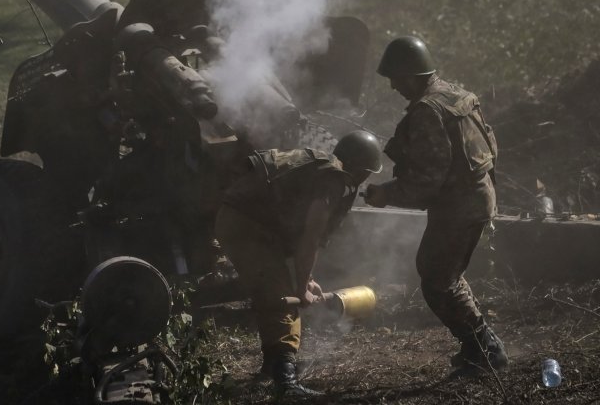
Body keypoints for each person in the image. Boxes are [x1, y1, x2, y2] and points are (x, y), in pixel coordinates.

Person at [364, 36, 508, 374]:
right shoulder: (456, 95)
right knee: (442, 274)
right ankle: (482, 349)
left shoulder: (428, 111)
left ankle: (485, 351)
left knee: (436, 280)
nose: (393, 87)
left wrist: (387, 195)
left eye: (395, 79)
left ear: (411, 74)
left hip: (459, 205)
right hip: (478, 196)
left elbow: (428, 180)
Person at [216, 131, 382, 397]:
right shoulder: (333, 180)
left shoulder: (323, 168)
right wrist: (302, 286)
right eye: (367, 172)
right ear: (361, 168)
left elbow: (298, 230)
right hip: (248, 225)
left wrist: (308, 279)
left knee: (274, 293)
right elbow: (310, 236)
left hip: (245, 221)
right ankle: (287, 384)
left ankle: (272, 368)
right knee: (283, 296)